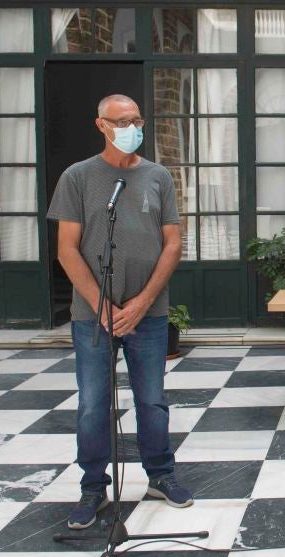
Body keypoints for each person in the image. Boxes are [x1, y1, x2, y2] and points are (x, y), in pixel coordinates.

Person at [47, 94, 193, 530]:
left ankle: (160, 475)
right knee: (93, 403)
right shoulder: (78, 177)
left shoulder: (158, 176)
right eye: (122, 121)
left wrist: (142, 302)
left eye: (137, 120)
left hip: (148, 314)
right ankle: (93, 487)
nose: (132, 128)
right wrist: (103, 307)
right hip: (93, 316)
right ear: (102, 125)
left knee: (152, 399)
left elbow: (172, 244)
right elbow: (67, 250)